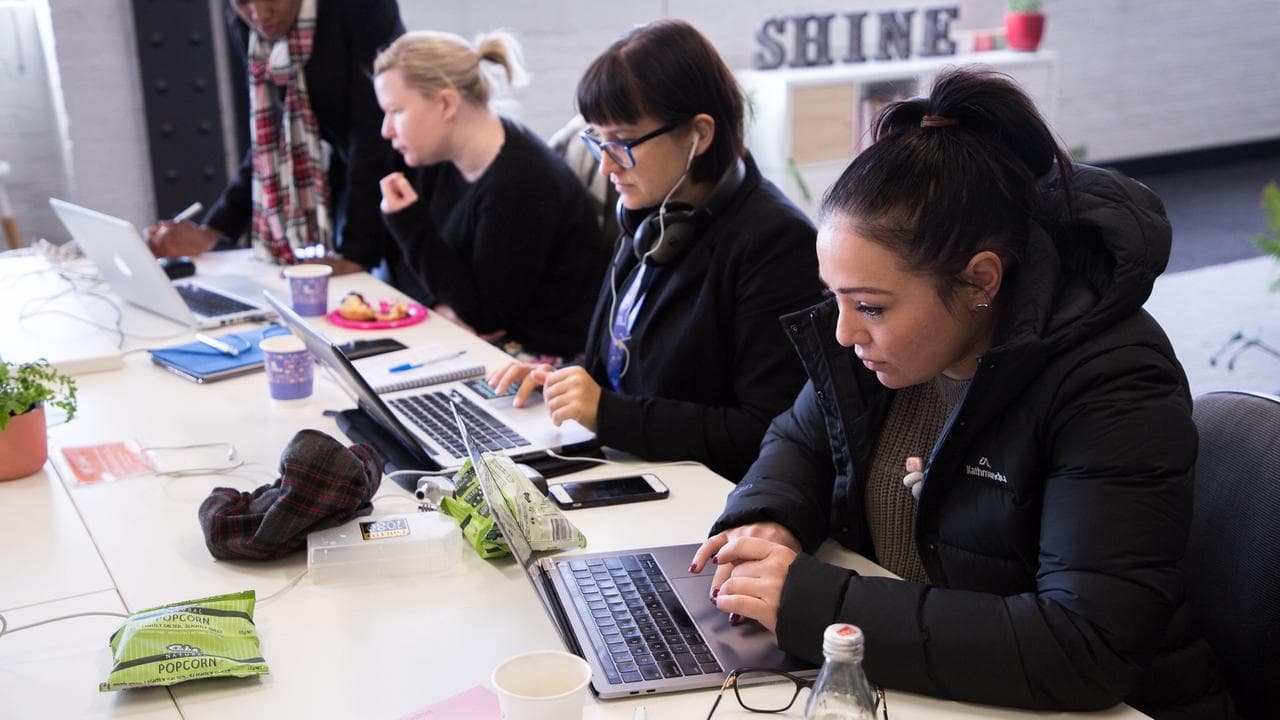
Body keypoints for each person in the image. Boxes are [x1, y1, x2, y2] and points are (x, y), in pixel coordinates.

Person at [692, 69, 1235, 718]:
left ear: (980, 281)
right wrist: (770, 517)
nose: (844, 331)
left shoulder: (1112, 380)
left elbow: (1085, 645)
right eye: (835, 296)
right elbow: (801, 439)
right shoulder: (884, 345)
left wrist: (814, 604)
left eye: (870, 306)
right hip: (939, 688)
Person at [487, 20, 825, 482]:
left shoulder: (776, 244)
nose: (606, 166)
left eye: (623, 143)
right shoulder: (653, 214)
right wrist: (562, 381)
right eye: (598, 141)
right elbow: (624, 366)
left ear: (699, 134)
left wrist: (607, 412)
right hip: (632, 466)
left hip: (703, 497)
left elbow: (765, 433)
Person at [373, 31, 604, 360]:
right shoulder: (437, 157)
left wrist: (408, 223)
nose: (386, 130)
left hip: (542, 360)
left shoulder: (520, 181)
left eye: (396, 111)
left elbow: (485, 315)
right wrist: (442, 306)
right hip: (485, 344)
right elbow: (403, 269)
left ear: (446, 104)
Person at [148, 0, 404, 274]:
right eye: (243, 2)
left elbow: (372, 133)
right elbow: (269, 138)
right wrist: (213, 230)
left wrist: (357, 255)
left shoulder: (363, 7)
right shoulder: (250, 29)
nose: (260, 14)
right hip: (352, 165)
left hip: (409, 164)